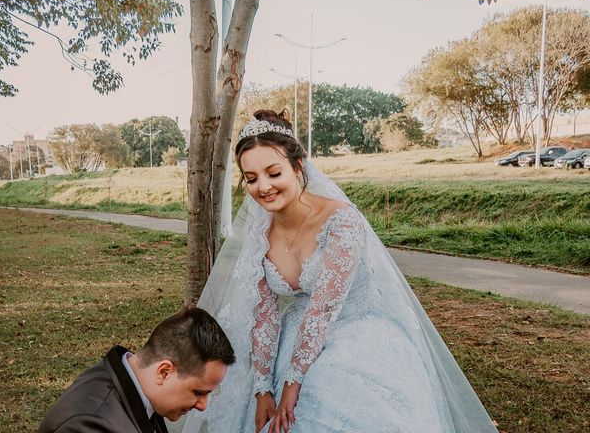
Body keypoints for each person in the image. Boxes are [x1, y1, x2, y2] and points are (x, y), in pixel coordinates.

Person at [174, 110, 498, 433]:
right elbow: (266, 317)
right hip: (296, 334)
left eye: (273, 173)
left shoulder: (342, 222)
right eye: (252, 178)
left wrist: (291, 386)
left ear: (297, 167)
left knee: (316, 409)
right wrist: (263, 388)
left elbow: (322, 312)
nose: (264, 187)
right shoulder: (261, 234)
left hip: (354, 333)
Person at [39, 307, 235, 433]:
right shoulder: (90, 424)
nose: (202, 405)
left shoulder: (138, 388)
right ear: (164, 372)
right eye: (198, 392)